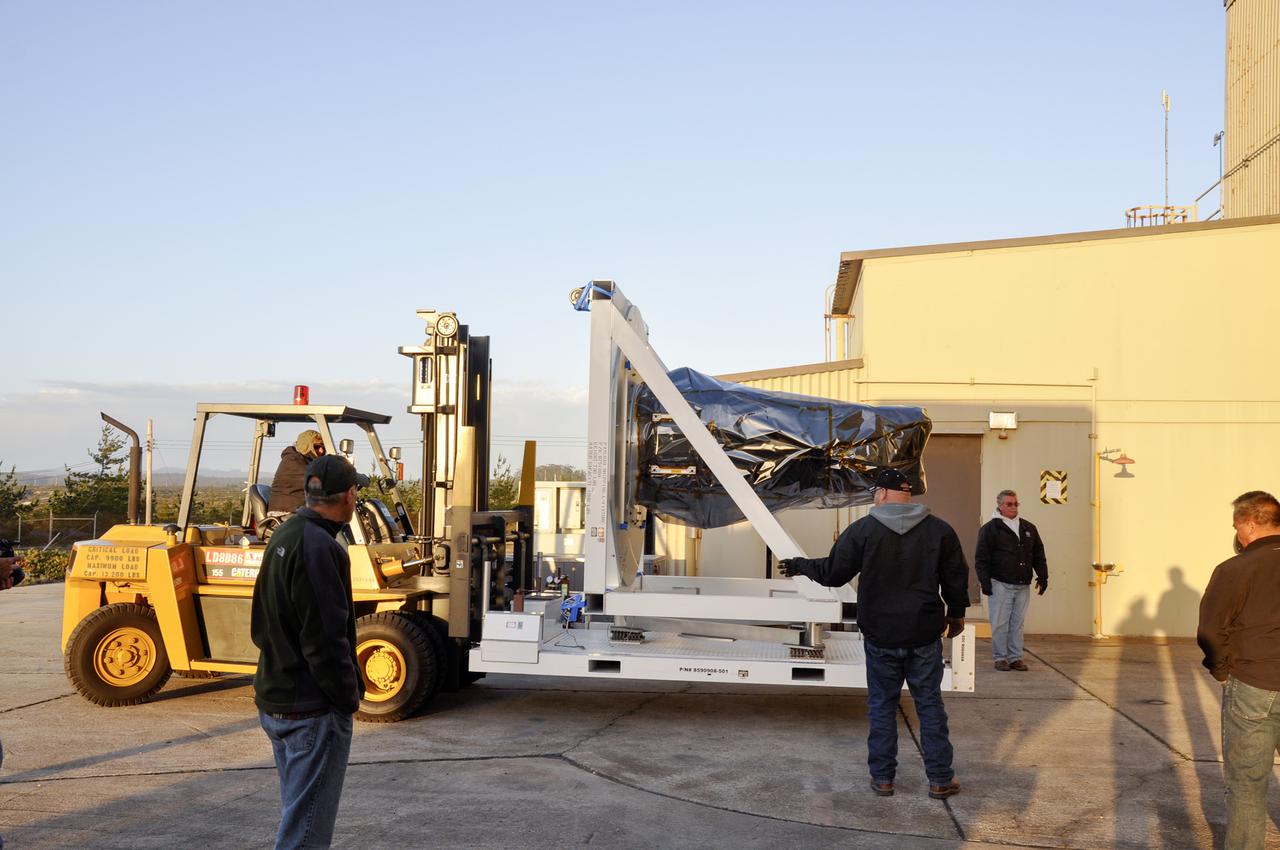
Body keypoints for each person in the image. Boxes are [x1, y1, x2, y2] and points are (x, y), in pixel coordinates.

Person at [780, 468, 969, 800]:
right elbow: (956, 576)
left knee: (882, 705)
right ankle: (940, 779)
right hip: (923, 635)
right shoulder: (940, 531)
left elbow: (833, 573)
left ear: (882, 493)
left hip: (881, 635)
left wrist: (799, 565)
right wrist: (956, 614)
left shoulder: (863, 530)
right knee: (929, 705)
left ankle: (883, 779)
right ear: (906, 494)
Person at [251, 454, 368, 849]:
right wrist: (347, 697)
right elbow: (326, 640)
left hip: (278, 700)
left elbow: (260, 625)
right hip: (311, 711)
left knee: (297, 815)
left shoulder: (284, 536)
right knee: (306, 835)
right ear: (349, 495)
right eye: (356, 492)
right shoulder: (321, 547)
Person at [1197, 490, 1280, 850]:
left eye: (1236, 525)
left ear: (1250, 523)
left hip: (1253, 685)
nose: (1235, 533)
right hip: (1257, 680)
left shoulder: (1234, 569)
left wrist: (1221, 671)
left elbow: (1210, 632)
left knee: (1247, 784)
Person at [974, 490, 1048, 672]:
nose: (1013, 507)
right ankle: (1000, 658)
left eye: (1016, 504)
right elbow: (981, 558)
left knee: (1017, 622)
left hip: (1022, 584)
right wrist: (985, 582)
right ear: (999, 505)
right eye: (1009, 504)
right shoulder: (990, 529)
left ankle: (1015, 658)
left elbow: (1038, 554)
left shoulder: (1028, 528)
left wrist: (1043, 576)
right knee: (1000, 622)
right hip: (1000, 583)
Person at [268, 429, 326, 514]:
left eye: (323, 447)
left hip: (298, 510)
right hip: (284, 513)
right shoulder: (292, 460)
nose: (321, 451)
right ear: (305, 446)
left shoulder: (307, 461)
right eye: (316, 447)